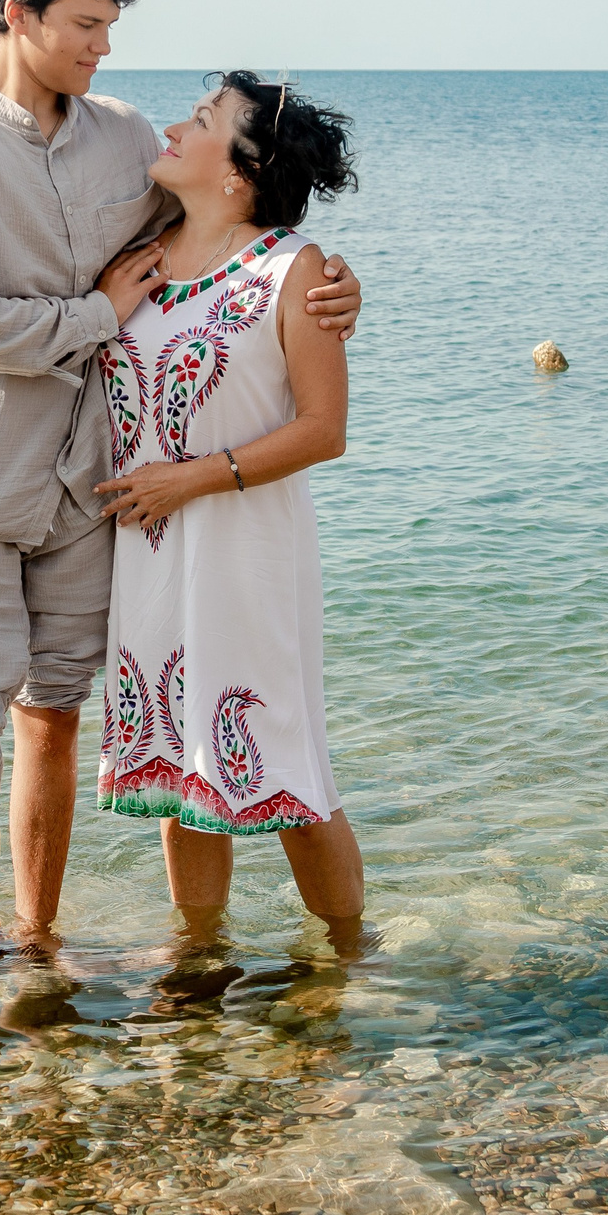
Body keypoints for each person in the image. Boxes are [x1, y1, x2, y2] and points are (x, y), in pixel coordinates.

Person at [0, 0, 362, 968]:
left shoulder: (124, 140)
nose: (106, 50)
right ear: (19, 14)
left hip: (105, 497)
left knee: (83, 717)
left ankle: (51, 936)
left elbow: (244, 223)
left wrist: (335, 281)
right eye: (87, 26)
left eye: (110, 27)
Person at [92, 73, 365, 947]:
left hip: (245, 549)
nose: (173, 125)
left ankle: (349, 961)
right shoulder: (136, 255)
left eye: (202, 119)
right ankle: (199, 956)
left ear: (241, 171)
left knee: (284, 766)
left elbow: (325, 431)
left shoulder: (298, 271)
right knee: (182, 766)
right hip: (149, 556)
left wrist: (192, 478)